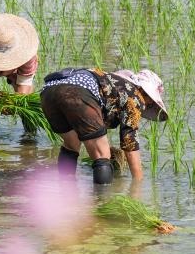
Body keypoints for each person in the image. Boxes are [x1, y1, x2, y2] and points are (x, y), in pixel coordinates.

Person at [40, 67, 168, 184]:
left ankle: (64, 190)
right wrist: (138, 181)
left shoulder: (115, 82)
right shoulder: (134, 96)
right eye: (150, 101)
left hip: (48, 92)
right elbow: (130, 141)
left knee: (71, 144)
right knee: (102, 154)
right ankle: (102, 201)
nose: (148, 104)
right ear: (146, 93)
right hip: (77, 93)